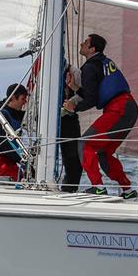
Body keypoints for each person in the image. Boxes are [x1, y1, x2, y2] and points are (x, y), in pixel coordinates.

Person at [63, 34, 138, 199]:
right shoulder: (101, 62)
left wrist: (73, 107)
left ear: (92, 49)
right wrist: (75, 87)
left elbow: (91, 100)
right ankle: (127, 189)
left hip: (119, 108)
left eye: (85, 42)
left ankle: (97, 187)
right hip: (128, 107)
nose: (81, 43)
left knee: (84, 143)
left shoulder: (90, 67)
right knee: (103, 152)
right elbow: (94, 93)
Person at [0, 83, 28, 181]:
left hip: (8, 157)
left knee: (26, 175)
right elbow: (4, 145)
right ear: (12, 98)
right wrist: (23, 160)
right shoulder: (0, 115)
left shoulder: (16, 114)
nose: (25, 102)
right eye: (23, 99)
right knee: (20, 177)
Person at [59, 64, 84, 192]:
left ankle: (68, 190)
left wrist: (71, 103)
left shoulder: (74, 72)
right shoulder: (42, 70)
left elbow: (85, 93)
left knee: (73, 159)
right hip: (45, 118)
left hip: (68, 118)